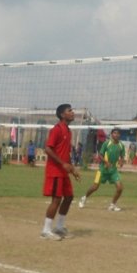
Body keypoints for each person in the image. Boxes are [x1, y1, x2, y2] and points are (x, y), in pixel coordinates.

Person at [41, 103, 80, 240]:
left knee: (69, 197)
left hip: (63, 170)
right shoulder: (56, 129)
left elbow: (65, 153)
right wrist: (63, 164)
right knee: (56, 199)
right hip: (55, 170)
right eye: (70, 111)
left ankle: (59, 227)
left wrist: (72, 168)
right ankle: (46, 230)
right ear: (63, 115)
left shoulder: (68, 131)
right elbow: (48, 149)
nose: (73, 112)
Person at [79, 128, 126, 211]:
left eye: (118, 133)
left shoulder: (121, 145)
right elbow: (100, 155)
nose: (116, 135)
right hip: (102, 170)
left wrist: (122, 161)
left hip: (113, 171)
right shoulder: (106, 143)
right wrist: (106, 162)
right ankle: (84, 198)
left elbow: (122, 156)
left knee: (120, 187)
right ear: (111, 135)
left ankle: (112, 205)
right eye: (114, 133)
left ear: (119, 135)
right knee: (95, 187)